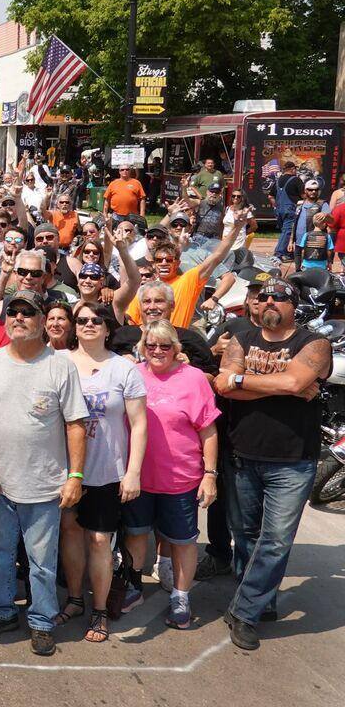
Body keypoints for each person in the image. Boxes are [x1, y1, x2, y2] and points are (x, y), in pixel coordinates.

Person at [0, 289, 88, 657]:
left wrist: (75, 477)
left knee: (41, 562)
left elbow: (76, 425)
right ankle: (3, 612)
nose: (19, 318)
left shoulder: (61, 365)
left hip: (45, 485)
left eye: (27, 313)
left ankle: (41, 621)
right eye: (13, 312)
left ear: (41, 321)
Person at [214, 277, 330, 650]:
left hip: (293, 460)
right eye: (263, 297)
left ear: (293, 306)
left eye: (279, 298)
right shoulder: (241, 338)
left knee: (276, 540)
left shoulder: (314, 342)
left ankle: (245, 612)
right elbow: (222, 385)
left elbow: (296, 383)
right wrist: (280, 383)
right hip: (242, 454)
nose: (269, 302)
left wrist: (243, 378)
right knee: (245, 536)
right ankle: (263, 599)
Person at [56, 303, 147, 642]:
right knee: (69, 532)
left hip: (107, 470)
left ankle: (99, 610)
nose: (89, 325)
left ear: (108, 328)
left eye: (96, 320)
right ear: (73, 327)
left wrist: (133, 472)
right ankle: (75, 599)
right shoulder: (59, 363)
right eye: (82, 320)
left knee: (98, 541)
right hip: (65, 469)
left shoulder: (123, 368)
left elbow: (139, 425)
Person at [123, 320, 219, 629]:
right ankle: (133, 586)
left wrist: (209, 474)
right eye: (151, 345)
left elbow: (208, 430)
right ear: (142, 348)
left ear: (176, 349)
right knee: (136, 534)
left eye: (165, 346)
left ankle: (181, 596)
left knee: (182, 541)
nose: (158, 351)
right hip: (138, 477)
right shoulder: (132, 374)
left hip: (180, 479)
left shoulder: (193, 379)